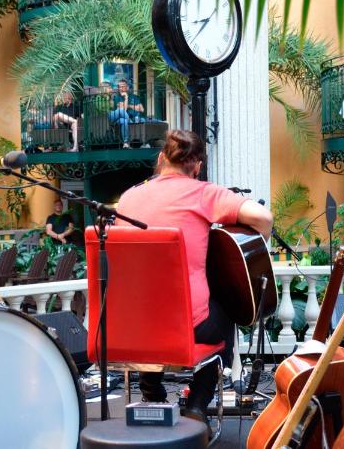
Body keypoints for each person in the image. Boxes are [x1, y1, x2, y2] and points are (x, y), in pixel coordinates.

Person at [114, 129, 273, 432]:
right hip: (186, 325)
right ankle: (198, 405)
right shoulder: (204, 193)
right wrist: (256, 247)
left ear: (161, 159)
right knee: (225, 311)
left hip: (134, 325)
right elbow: (263, 218)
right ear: (197, 166)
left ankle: (152, 394)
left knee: (154, 311)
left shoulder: (128, 197)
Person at [109, 78, 145, 148]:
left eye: (122, 86)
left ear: (127, 87)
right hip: (120, 118)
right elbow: (124, 110)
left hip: (135, 117)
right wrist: (126, 98)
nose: (120, 88)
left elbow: (141, 109)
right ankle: (126, 142)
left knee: (142, 120)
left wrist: (129, 105)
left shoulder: (134, 97)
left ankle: (142, 142)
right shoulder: (117, 97)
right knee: (124, 120)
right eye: (119, 87)